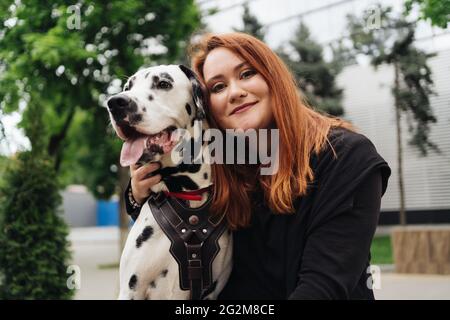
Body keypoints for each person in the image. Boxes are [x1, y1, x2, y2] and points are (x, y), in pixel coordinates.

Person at [124, 32, 391, 300]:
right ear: (207, 108)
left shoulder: (345, 155)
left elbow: (323, 287)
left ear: (273, 77)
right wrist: (135, 196)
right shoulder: (225, 156)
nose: (235, 92)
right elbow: (168, 199)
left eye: (247, 73)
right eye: (218, 87)